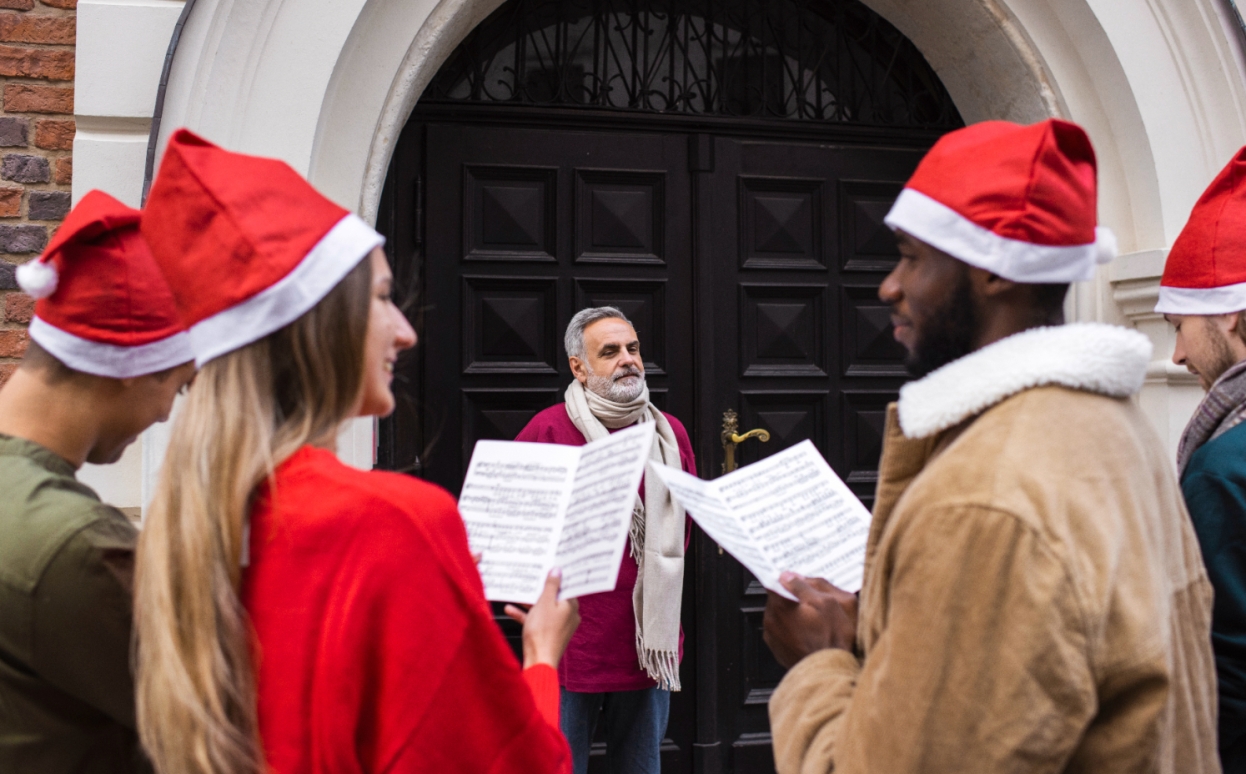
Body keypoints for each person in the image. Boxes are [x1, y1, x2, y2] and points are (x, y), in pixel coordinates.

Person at [761, 119, 1220, 773]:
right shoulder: (1115, 429)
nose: (890, 285)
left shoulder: (983, 500)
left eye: (913, 257)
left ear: (994, 273)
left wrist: (820, 664)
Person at [133, 129, 578, 774]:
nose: (405, 331)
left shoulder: (187, 528)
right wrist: (540, 656)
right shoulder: (395, 522)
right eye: (380, 298)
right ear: (320, 327)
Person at [0, 190, 196, 773]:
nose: (166, 414)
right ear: (133, 369)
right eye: (177, 386)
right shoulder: (78, 546)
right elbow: (219, 730)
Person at [515, 307, 695, 774]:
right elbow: (515, 526)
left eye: (632, 349)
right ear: (579, 366)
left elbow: (684, 528)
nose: (628, 360)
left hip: (645, 644)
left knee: (639, 766)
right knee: (556, 764)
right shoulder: (548, 430)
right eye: (610, 352)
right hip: (574, 642)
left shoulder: (669, 434)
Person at [1155, 146, 1246, 773]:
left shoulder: (1221, 468)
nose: (1178, 355)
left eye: (1180, 325)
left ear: (1232, 316)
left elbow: (1220, 678)